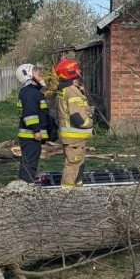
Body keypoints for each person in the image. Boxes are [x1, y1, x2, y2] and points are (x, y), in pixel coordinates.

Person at [53, 58, 93, 188]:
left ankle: (77, 188)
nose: (79, 71)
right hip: (74, 137)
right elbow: (77, 116)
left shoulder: (64, 89)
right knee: (73, 166)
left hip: (72, 138)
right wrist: (89, 123)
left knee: (78, 164)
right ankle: (67, 194)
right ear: (70, 72)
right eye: (77, 69)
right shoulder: (71, 90)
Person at [15, 63, 49, 183]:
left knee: (29, 160)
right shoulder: (30, 93)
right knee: (30, 162)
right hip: (30, 134)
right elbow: (30, 114)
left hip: (30, 135)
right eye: (36, 71)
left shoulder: (31, 92)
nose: (39, 73)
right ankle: (26, 184)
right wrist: (36, 130)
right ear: (28, 75)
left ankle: (25, 182)